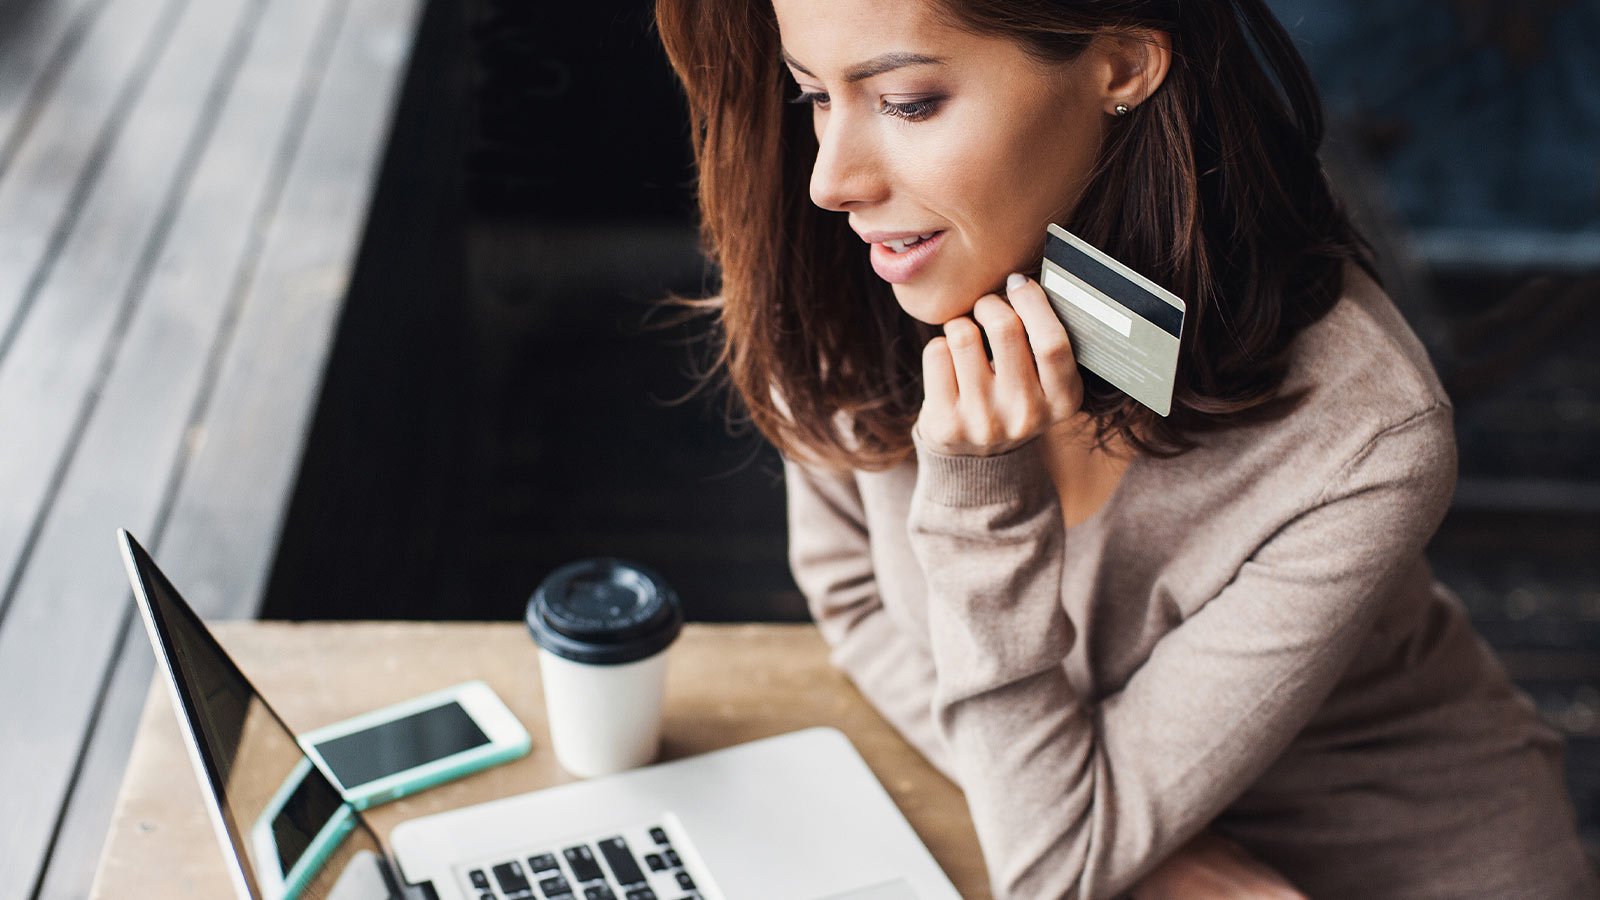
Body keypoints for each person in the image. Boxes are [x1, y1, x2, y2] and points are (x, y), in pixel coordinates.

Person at [651, 0, 1600, 897]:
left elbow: (1057, 868)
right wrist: (1127, 847)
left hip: (1380, 865)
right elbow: (853, 597)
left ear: (1123, 64)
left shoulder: (1365, 431)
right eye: (815, 93)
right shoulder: (856, 265)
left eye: (908, 102)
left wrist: (981, 501)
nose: (831, 179)